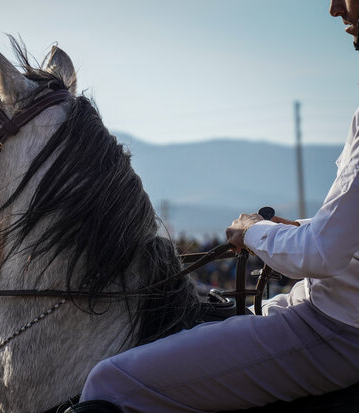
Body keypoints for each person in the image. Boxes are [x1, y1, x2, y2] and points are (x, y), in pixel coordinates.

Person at [67, 1, 359, 412]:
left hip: (336, 327)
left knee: (110, 381)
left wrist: (254, 232)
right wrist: (293, 230)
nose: (334, 9)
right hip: (332, 310)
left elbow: (324, 253)